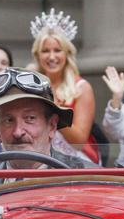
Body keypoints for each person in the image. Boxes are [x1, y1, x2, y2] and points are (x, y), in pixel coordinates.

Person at [0, 68, 90, 175]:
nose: (18, 132)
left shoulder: (88, 179)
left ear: (52, 126)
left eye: (30, 118)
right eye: (8, 120)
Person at [30, 10, 99, 165]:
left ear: (67, 54)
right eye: (46, 51)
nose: (52, 56)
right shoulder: (31, 85)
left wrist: (53, 105)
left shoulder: (81, 88)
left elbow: (79, 142)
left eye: (57, 50)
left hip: (75, 162)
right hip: (38, 161)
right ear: (37, 55)